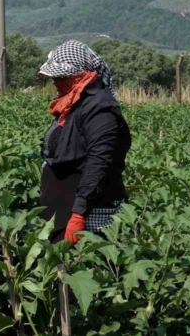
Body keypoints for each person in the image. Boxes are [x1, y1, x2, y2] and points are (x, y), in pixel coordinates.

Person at [38, 41, 131, 245]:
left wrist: (79, 212)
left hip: (86, 209)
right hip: (63, 205)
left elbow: (99, 161)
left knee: (84, 267)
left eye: (60, 76)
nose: (54, 81)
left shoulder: (100, 107)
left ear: (78, 75)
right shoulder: (75, 102)